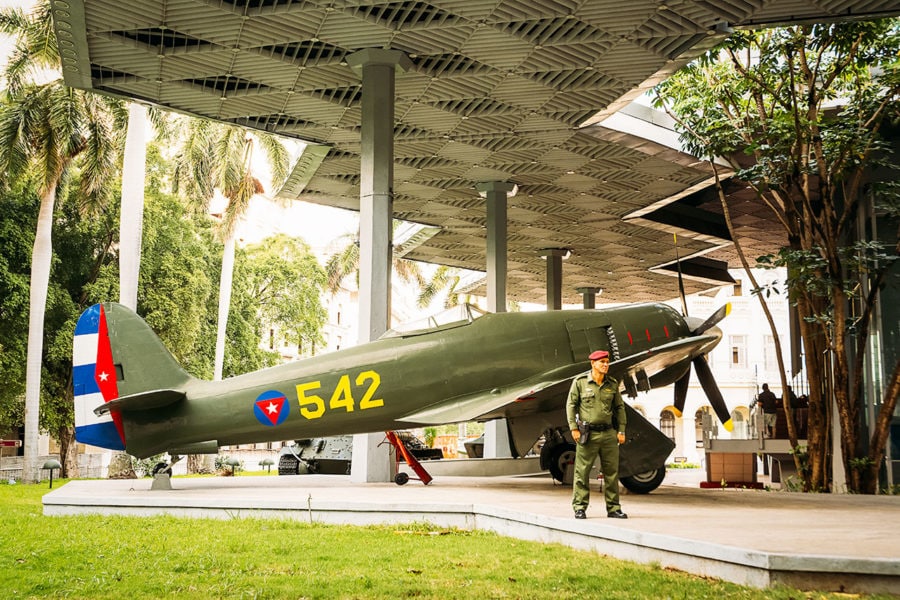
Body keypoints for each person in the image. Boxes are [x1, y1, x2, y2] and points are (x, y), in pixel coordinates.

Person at [566, 349, 628, 520]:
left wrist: (621, 430)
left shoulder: (612, 384)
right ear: (593, 364)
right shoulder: (580, 382)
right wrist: (573, 428)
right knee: (582, 472)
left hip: (608, 433)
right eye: (602, 362)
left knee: (612, 473)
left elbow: (619, 408)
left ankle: (614, 508)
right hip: (588, 434)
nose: (606, 365)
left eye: (607, 362)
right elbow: (571, 405)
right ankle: (580, 507)